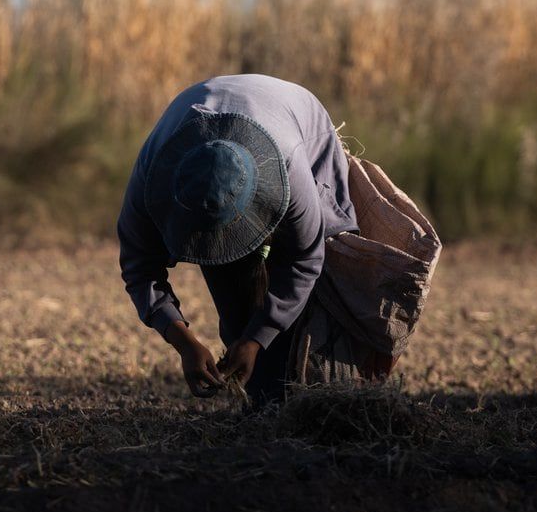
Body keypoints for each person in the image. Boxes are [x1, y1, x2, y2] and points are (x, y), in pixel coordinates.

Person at [117, 74, 358, 404]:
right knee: (235, 302)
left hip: (297, 119)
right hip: (208, 117)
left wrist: (259, 338)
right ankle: (256, 391)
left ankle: (312, 390)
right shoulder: (151, 177)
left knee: (315, 288)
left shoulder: (289, 166)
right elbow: (139, 267)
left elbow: (305, 260)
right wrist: (182, 339)